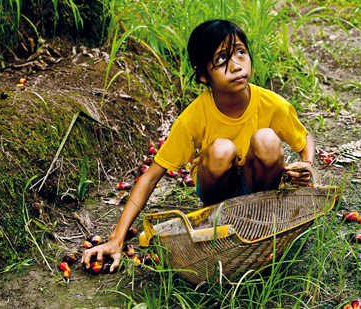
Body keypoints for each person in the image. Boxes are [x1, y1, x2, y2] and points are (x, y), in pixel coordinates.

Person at [82, 19, 315, 272]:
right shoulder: (193, 117)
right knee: (221, 149)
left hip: (259, 189)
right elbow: (150, 178)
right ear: (203, 74)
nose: (236, 65)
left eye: (240, 52)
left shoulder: (272, 104)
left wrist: (306, 165)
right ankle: (220, 219)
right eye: (222, 59)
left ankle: (262, 214)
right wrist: (116, 239)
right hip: (218, 195)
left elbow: (304, 140)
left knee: (267, 139)